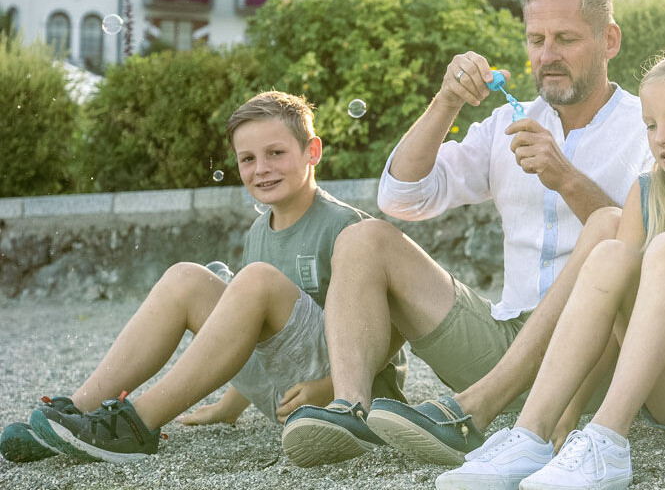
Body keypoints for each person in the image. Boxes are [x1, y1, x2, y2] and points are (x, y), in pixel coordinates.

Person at [280, 0, 654, 467]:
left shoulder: (646, 126)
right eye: (535, 39)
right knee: (364, 237)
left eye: (565, 39)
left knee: (615, 239)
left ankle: (480, 414)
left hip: (597, 354)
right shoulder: (509, 120)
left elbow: (651, 245)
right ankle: (351, 409)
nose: (546, 56)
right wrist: (448, 100)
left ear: (609, 40)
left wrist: (566, 178)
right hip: (502, 341)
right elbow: (401, 197)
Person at [436, 48, 665, 490]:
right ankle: (530, 435)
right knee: (611, 253)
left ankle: (608, 441)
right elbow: (611, 316)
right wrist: (569, 416)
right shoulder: (649, 192)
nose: (661, 138)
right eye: (651, 126)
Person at [3, 91, 407, 464]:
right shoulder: (259, 232)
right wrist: (230, 405)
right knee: (187, 278)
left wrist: (329, 385)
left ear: (311, 151)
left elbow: (393, 328)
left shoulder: (344, 226)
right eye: (247, 159)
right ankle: (78, 413)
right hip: (287, 396)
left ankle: (136, 423)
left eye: (276, 153)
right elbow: (255, 333)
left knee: (253, 281)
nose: (261, 169)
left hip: (347, 398)